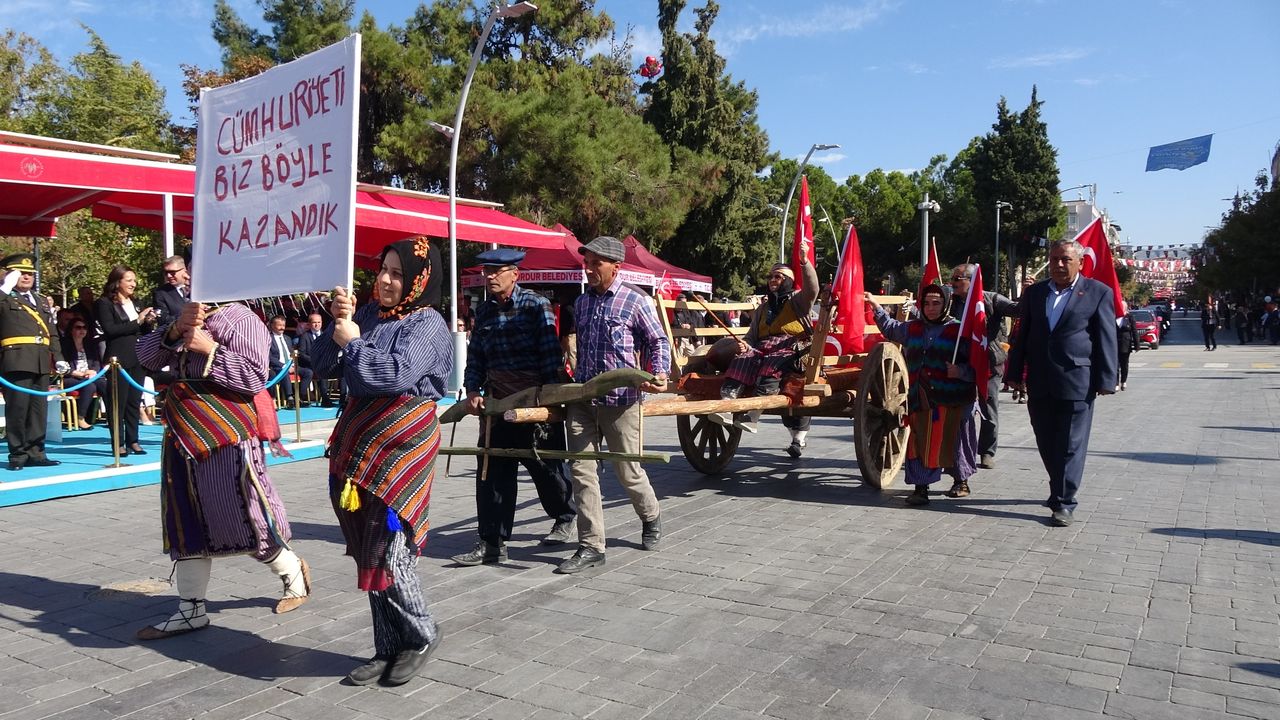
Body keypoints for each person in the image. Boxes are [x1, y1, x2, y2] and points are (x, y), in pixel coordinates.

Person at [310, 237, 450, 687]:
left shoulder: (428, 324)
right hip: (361, 445)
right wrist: (339, 325)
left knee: (393, 548)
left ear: (418, 281)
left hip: (400, 447)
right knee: (368, 547)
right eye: (383, 270)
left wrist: (353, 345)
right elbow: (323, 367)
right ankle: (387, 646)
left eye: (397, 274)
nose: (386, 281)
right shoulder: (368, 315)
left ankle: (422, 634)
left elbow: (391, 375)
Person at [132, 299, 311, 640]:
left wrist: (209, 348)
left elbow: (254, 376)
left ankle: (292, 573)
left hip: (226, 433)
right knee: (185, 518)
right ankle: (191, 608)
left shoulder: (241, 318)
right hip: (182, 433)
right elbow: (147, 358)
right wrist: (174, 329)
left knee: (243, 517)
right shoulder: (187, 314)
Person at [452, 248, 578, 566]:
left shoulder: (537, 307)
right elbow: (477, 355)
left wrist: (549, 402)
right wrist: (473, 389)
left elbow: (550, 356)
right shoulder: (484, 311)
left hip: (534, 404)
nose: (490, 276)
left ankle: (565, 515)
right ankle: (492, 542)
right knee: (492, 474)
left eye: (497, 271)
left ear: (515, 274)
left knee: (548, 471)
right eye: (486, 271)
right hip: (497, 406)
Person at [557, 236, 670, 575]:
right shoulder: (582, 303)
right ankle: (592, 546)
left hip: (621, 403)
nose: (588, 268)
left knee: (628, 471)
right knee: (581, 472)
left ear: (615, 266)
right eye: (586, 262)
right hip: (582, 399)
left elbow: (658, 340)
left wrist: (659, 371)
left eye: (595, 263)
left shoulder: (636, 301)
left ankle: (650, 516)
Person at [1006, 239, 1118, 527]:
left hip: (1077, 381)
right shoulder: (1035, 293)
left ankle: (1065, 502)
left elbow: (1106, 338)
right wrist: (1015, 373)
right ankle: (1058, 489)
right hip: (1041, 380)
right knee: (1046, 441)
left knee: (1070, 444)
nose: (1058, 264)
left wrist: (1107, 379)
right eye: (1054, 259)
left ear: (1079, 262)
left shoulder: (1097, 293)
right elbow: (1023, 336)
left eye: (1065, 260)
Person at [867, 284, 978, 505]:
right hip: (921, 398)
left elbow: (982, 365)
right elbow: (890, 328)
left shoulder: (961, 332)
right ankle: (921, 488)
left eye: (936, 303)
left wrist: (961, 372)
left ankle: (960, 481)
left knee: (954, 440)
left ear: (945, 304)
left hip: (953, 399)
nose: (931, 308)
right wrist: (875, 306)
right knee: (919, 442)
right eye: (926, 303)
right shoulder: (913, 329)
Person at [709, 259, 819, 456]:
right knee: (742, 358)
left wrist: (804, 262)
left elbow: (813, 288)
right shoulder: (763, 308)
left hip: (793, 348)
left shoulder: (799, 300)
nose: (772, 280)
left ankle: (753, 415)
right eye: (770, 276)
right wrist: (745, 344)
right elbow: (752, 336)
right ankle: (726, 405)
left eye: (777, 276)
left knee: (772, 363)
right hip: (762, 347)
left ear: (789, 280)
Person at [947, 263, 1019, 473]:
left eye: (957, 279)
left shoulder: (992, 299)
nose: (953, 283)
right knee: (958, 409)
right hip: (960, 362)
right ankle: (954, 451)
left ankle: (986, 452)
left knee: (989, 408)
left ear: (971, 280)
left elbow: (1017, 309)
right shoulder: (950, 302)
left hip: (989, 362)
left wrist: (1029, 292)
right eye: (953, 279)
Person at [1, 253, 66, 470]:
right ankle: (18, 454)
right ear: (10, 274)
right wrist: (3, 289)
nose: (26, 277)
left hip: (40, 359)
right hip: (16, 359)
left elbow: (52, 332)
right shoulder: (5, 297)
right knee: (18, 409)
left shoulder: (40, 300)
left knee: (39, 410)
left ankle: (37, 451)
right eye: (21, 273)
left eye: (30, 273)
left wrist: (58, 357)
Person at [95, 264, 156, 456]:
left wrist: (148, 322)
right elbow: (111, 330)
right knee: (117, 403)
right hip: (118, 358)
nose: (133, 284)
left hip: (138, 356)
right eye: (129, 280)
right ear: (117, 281)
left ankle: (133, 440)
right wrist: (137, 321)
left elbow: (142, 331)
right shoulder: (104, 303)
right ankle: (118, 443)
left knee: (133, 401)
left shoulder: (135, 302)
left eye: (134, 280)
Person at [60, 318, 106, 429]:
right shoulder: (64, 345)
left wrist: (93, 371)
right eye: (78, 327)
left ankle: (112, 416)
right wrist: (80, 374)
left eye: (84, 327)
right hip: (70, 377)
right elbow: (63, 366)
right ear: (71, 330)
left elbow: (96, 362)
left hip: (89, 376)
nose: (82, 330)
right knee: (89, 386)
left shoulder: (90, 344)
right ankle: (80, 418)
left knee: (105, 385)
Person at [267, 315, 311, 406]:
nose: (282, 327)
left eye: (283, 325)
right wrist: (284, 366)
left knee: (308, 372)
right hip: (277, 366)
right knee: (284, 371)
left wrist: (292, 363)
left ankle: (300, 397)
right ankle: (289, 398)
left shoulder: (287, 338)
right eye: (279, 325)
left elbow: (291, 353)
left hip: (291, 364)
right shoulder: (268, 339)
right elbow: (269, 357)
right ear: (272, 325)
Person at [295, 311, 331, 406]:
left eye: (319, 322)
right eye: (314, 322)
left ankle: (327, 397)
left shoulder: (326, 335)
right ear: (309, 324)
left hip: (323, 364)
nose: (317, 324)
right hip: (308, 364)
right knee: (320, 370)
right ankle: (304, 398)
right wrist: (315, 361)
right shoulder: (304, 336)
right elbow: (302, 354)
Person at [152, 255, 190, 329]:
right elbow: (163, 320)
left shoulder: (197, 288)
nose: (168, 276)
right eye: (166, 272)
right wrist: (186, 316)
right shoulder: (161, 293)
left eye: (172, 272)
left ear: (185, 270)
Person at [1115, 307, 1139, 391]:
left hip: (1126, 344)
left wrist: (1137, 345)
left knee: (1124, 364)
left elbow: (1134, 331)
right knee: (1115, 365)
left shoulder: (1129, 317)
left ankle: (1123, 381)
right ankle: (1116, 383)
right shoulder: (1113, 316)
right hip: (1115, 343)